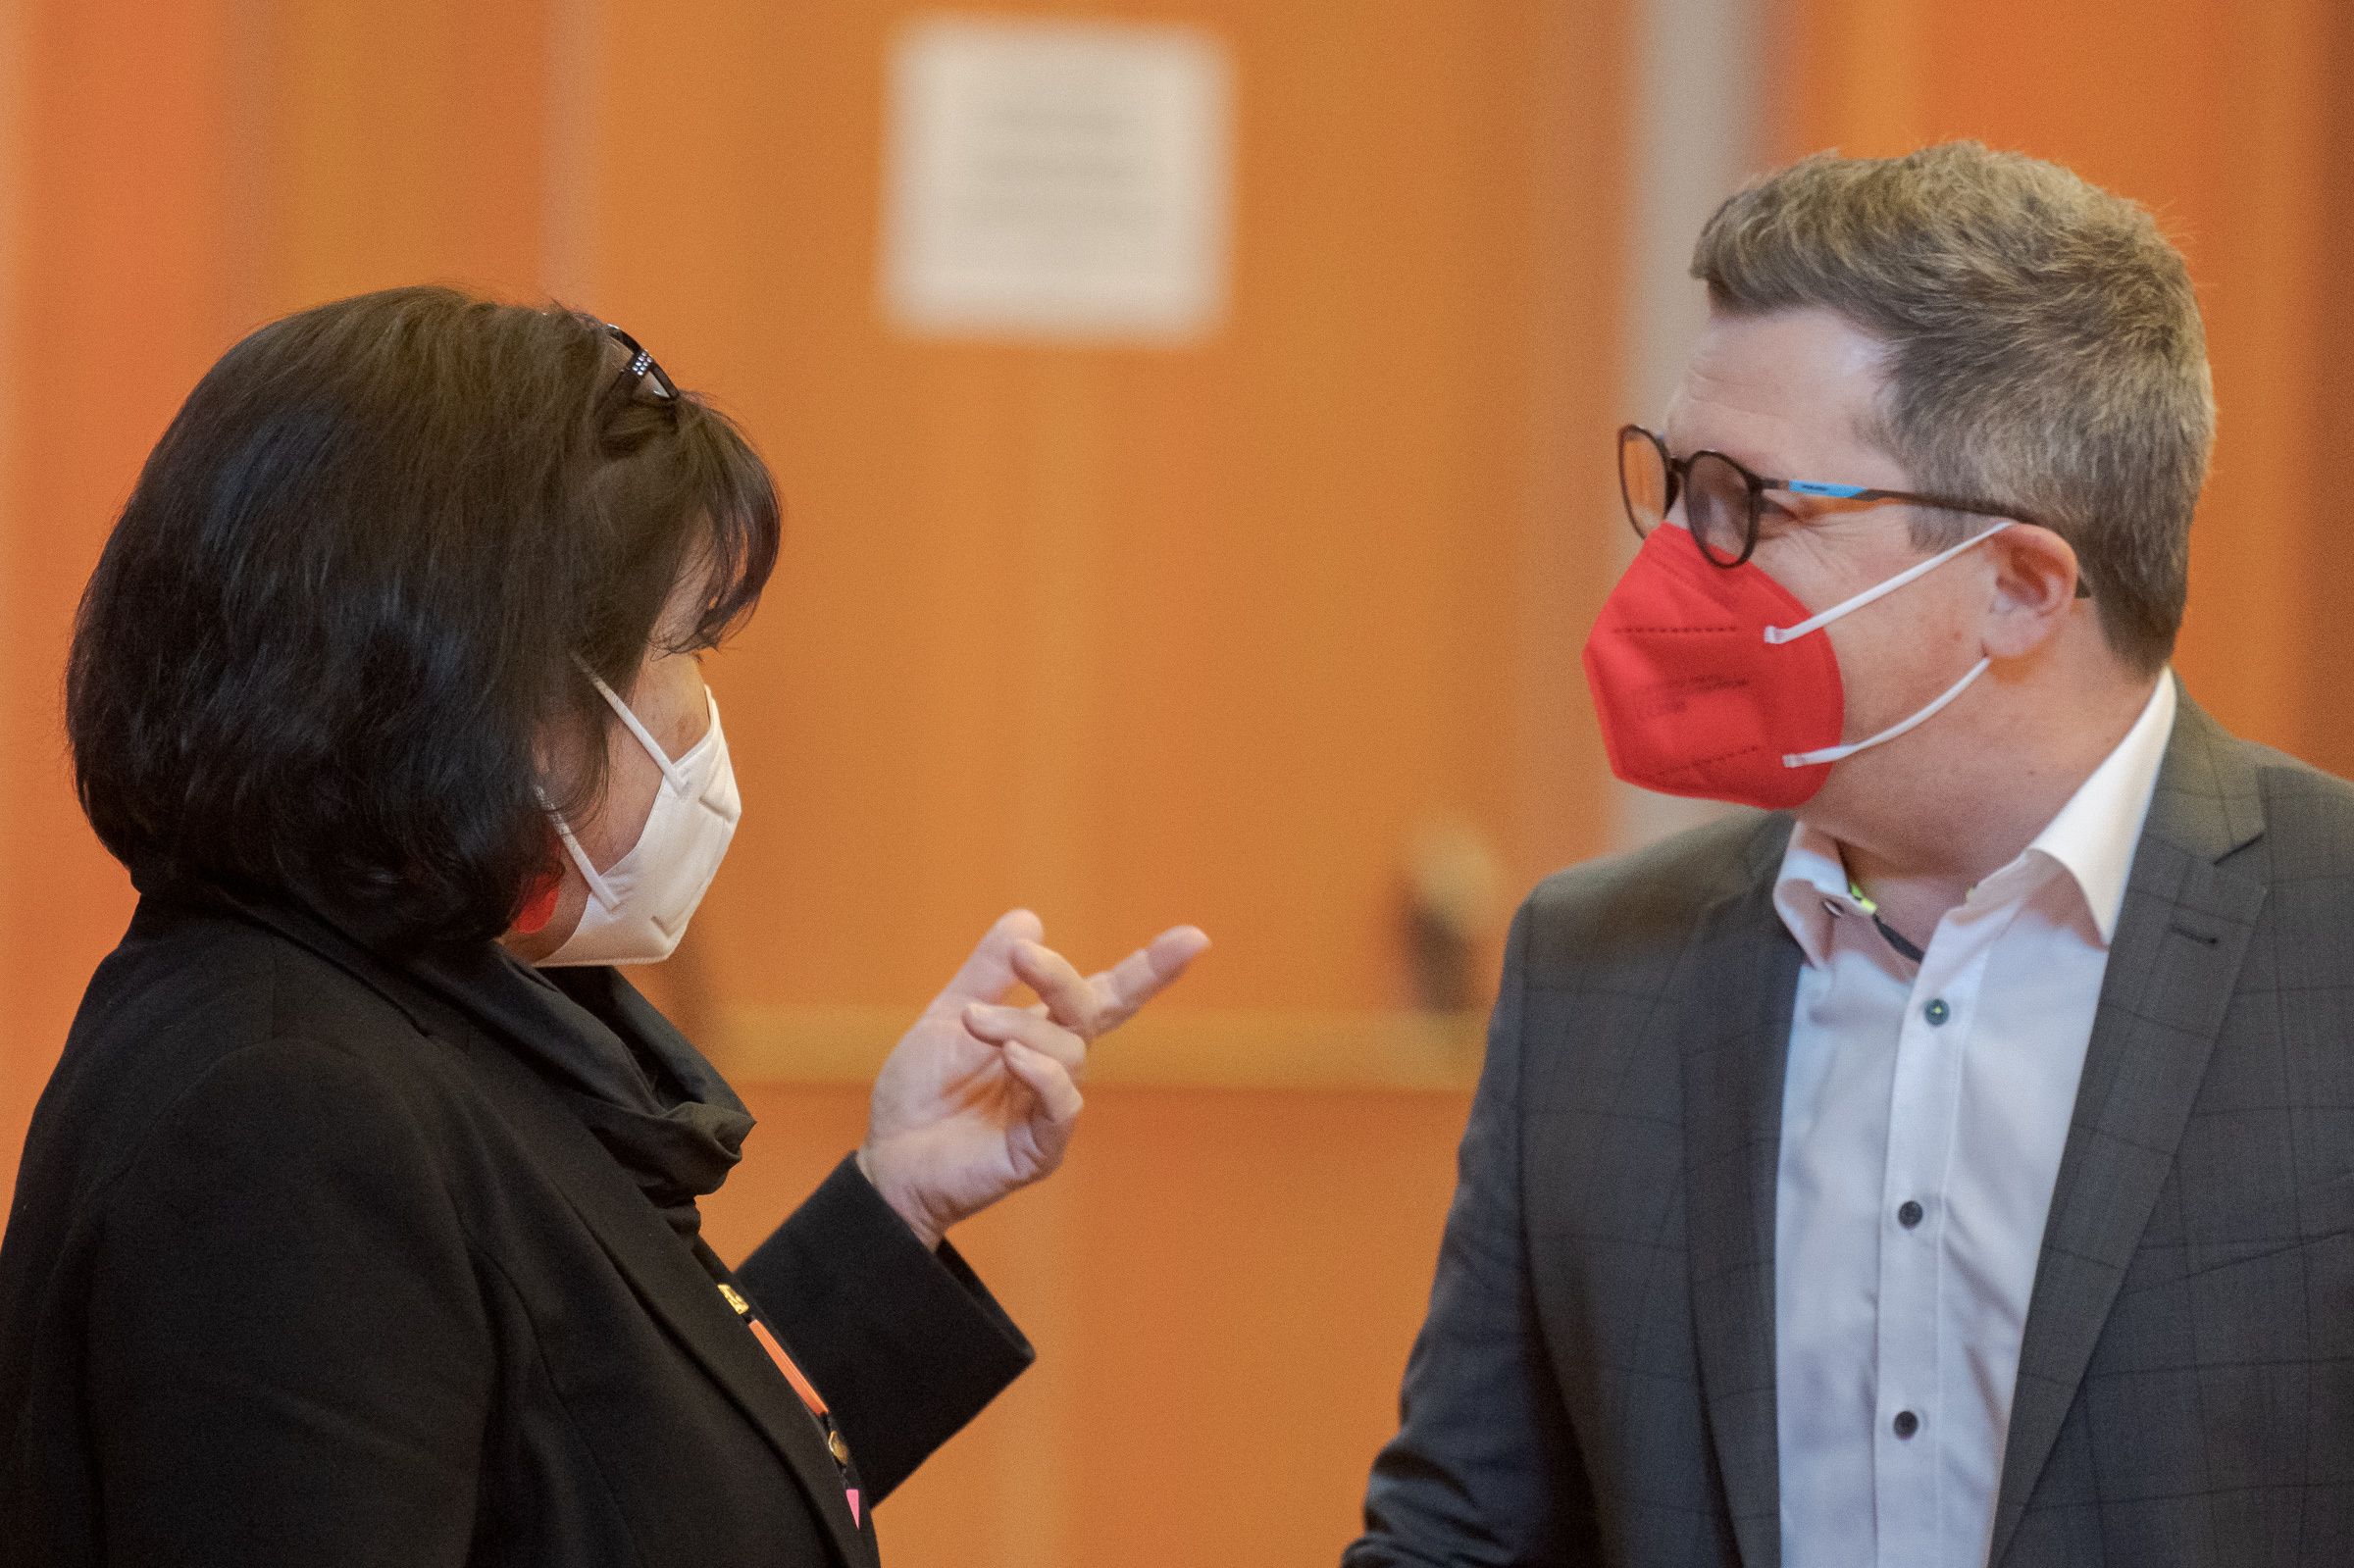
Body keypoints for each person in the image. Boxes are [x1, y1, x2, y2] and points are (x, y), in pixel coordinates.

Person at [0, 285, 1208, 1567]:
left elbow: (595, 1486)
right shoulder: (286, 1110)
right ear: (494, 693)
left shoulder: (381, 1012)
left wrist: (892, 1201)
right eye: (681, 645)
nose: (698, 714)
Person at [1348, 142, 2354, 1568]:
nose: (1681, 563)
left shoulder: (2332, 942)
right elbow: (1466, 1537)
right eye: (1681, 486)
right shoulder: (1595, 968)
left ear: (2016, 588)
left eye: (1749, 506)